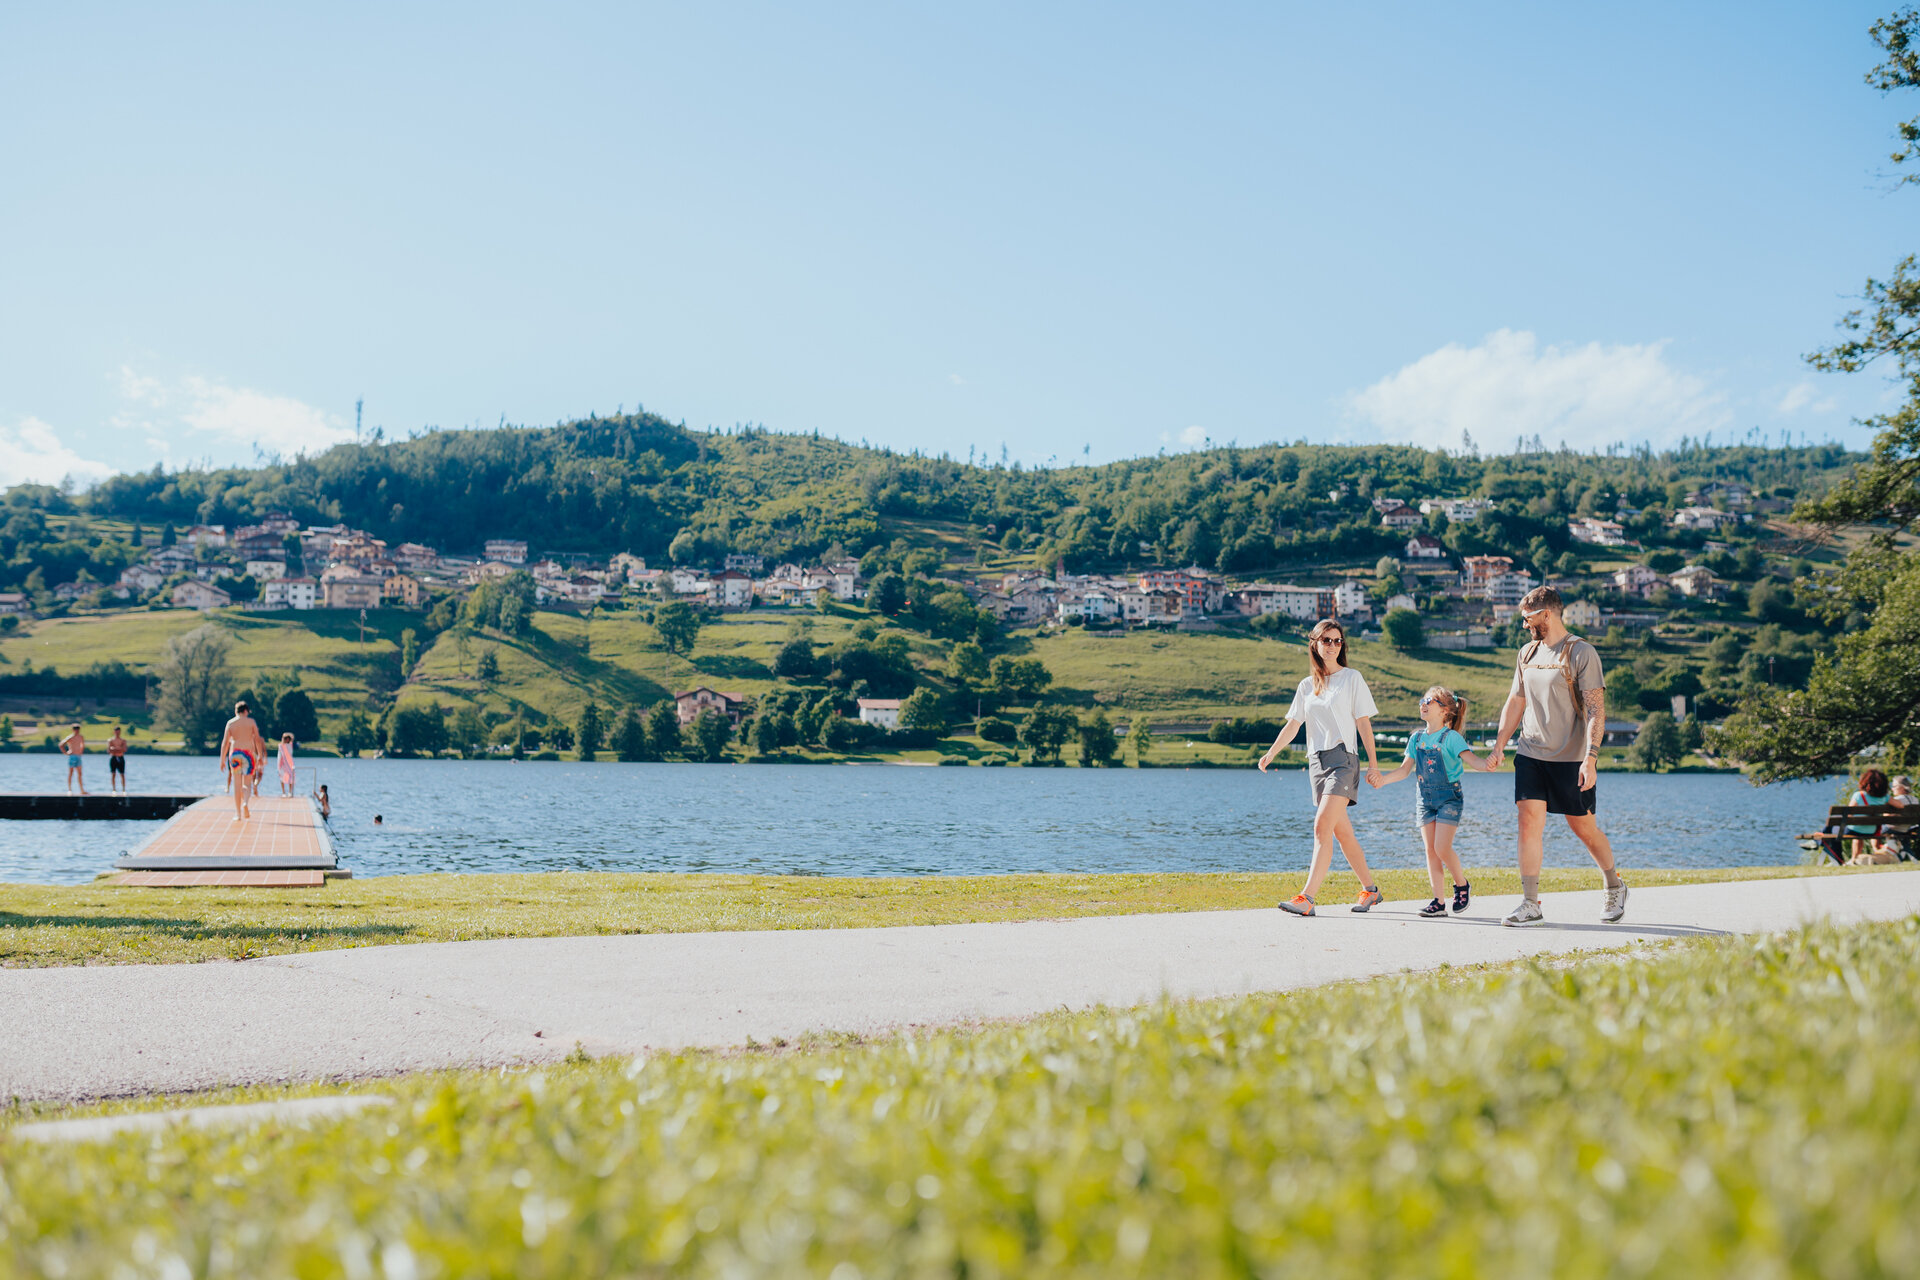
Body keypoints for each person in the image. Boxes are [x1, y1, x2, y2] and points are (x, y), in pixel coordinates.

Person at [1487, 586, 1628, 926]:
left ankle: (1614, 884)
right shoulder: (1527, 653)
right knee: (1528, 823)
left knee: (1583, 828)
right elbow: (1516, 701)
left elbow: (1596, 710)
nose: (1524, 625)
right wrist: (1500, 744)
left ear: (1546, 614)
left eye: (1528, 618)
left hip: (1571, 757)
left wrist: (1590, 758)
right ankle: (1530, 902)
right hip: (1531, 752)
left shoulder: (1580, 653)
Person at [1259, 618, 1387, 916]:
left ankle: (1307, 898)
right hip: (1317, 764)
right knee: (1342, 833)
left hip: (1344, 760)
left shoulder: (1352, 678)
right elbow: (1293, 725)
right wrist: (1271, 753)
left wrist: (1374, 764)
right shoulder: (1307, 685)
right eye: (1326, 640)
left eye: (1337, 640)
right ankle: (1371, 890)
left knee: (1321, 826)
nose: (1332, 645)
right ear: (1314, 644)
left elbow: (1363, 723)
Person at [1371, 685, 1491, 918]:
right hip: (1424, 799)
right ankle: (1438, 902)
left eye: (1430, 701)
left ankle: (1462, 885)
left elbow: (1474, 761)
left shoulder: (1452, 738)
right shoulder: (1416, 738)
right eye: (1422, 700)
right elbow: (1405, 770)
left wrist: (1489, 763)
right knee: (1431, 851)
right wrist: (1383, 781)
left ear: (1445, 711)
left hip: (1449, 798)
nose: (1423, 704)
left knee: (1442, 847)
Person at [216, 700, 264, 821]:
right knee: (247, 783)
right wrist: (260, 756)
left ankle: (237, 814)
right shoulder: (251, 722)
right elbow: (257, 739)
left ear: (236, 711)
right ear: (246, 711)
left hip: (235, 754)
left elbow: (225, 743)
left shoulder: (231, 723)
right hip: (248, 753)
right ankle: (246, 803)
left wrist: (222, 759)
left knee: (237, 785)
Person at [1844, 768, 1893, 864]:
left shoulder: (1858, 795)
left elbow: (1848, 814)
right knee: (1859, 833)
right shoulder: (1885, 797)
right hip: (1872, 830)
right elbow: (1900, 805)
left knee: (1831, 830)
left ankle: (1845, 860)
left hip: (1855, 830)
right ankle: (1854, 859)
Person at [60, 723, 87, 796]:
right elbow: (61, 744)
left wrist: (81, 751)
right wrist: (65, 753)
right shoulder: (70, 737)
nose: (77, 730)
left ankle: (82, 790)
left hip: (78, 756)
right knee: (71, 773)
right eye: (75, 729)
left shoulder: (81, 737)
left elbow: (82, 745)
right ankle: (70, 790)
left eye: (78, 729)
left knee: (80, 774)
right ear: (73, 730)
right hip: (72, 756)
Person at [107, 725, 129, 794]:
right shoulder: (111, 740)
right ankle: (114, 789)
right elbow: (109, 750)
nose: (117, 733)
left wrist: (115, 749)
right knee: (113, 774)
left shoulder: (123, 740)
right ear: (114, 732)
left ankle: (123, 790)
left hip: (120, 758)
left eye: (118, 732)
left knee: (122, 774)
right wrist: (119, 748)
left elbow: (124, 749)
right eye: (116, 731)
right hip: (113, 758)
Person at [277, 732, 297, 797]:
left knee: (291, 777)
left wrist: (288, 735)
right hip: (282, 763)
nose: (287, 740)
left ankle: (290, 792)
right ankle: (283, 792)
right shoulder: (280, 745)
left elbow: (292, 737)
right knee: (282, 777)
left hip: (290, 763)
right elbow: (281, 755)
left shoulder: (290, 744)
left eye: (288, 738)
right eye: (286, 738)